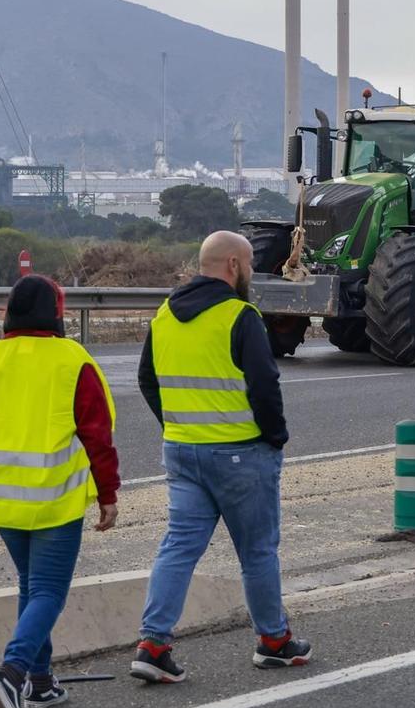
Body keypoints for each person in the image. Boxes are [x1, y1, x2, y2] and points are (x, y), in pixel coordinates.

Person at [130, 230, 309, 683]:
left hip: (182, 452)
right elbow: (264, 385)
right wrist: (275, 436)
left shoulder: (165, 314)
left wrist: (176, 424)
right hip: (239, 454)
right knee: (257, 551)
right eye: (248, 264)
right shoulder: (240, 316)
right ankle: (274, 642)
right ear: (232, 265)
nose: (250, 272)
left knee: (178, 548)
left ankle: (153, 645)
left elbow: (147, 380)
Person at [0, 274, 120, 708]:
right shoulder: (72, 361)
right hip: (55, 500)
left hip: (2, 501)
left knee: (31, 585)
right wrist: (108, 494)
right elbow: (96, 436)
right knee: (47, 591)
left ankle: (40, 684)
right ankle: (12, 674)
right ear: (56, 313)